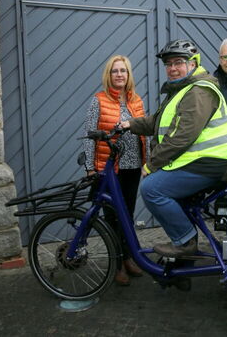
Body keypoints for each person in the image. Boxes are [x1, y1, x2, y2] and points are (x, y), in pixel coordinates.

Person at [120, 39, 227, 258]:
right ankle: (181, 265)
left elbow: (183, 136)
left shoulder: (199, 91)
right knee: (173, 196)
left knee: (152, 188)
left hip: (213, 162)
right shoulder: (184, 89)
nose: (172, 68)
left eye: (178, 62)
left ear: (193, 64)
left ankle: (185, 242)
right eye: (169, 64)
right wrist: (130, 124)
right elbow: (159, 121)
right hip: (203, 161)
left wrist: (151, 164)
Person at [83, 55, 146, 285]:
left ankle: (129, 258)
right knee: (112, 218)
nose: (120, 75)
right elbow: (89, 136)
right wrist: (90, 168)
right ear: (108, 75)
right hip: (107, 169)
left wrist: (147, 162)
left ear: (129, 75)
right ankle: (117, 264)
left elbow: (144, 131)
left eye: (124, 71)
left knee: (127, 216)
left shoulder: (136, 101)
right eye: (115, 71)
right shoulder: (98, 101)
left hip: (132, 166)